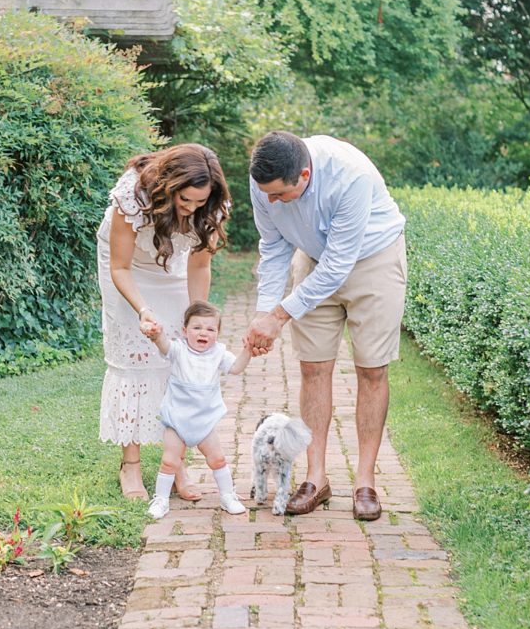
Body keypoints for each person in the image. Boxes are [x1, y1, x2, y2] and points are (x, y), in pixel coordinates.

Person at [245, 131, 407, 520]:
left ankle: (365, 481)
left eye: (280, 195)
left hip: (374, 259)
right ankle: (316, 478)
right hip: (314, 260)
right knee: (313, 367)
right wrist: (265, 313)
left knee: (371, 370)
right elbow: (273, 247)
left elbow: (338, 265)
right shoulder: (263, 180)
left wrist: (280, 316)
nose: (271, 201)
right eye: (266, 193)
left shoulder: (350, 176)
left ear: (304, 175)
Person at [97, 143, 231, 501]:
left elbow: (199, 267)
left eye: (198, 202)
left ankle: (175, 464)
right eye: (184, 200)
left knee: (177, 360)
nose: (191, 208)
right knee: (135, 360)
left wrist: (195, 320)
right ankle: (131, 465)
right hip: (125, 270)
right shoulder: (133, 196)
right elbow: (119, 267)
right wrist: (143, 310)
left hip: (170, 265)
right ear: (167, 186)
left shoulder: (209, 207)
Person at [141, 300, 252, 519]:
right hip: (177, 419)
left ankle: (228, 495)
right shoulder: (178, 350)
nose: (204, 333)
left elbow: (236, 367)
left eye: (211, 329)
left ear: (218, 333)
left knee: (218, 459)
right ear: (185, 331)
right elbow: (164, 345)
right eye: (197, 327)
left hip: (204, 421)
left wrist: (248, 350)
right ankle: (160, 499)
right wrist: (156, 336)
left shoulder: (218, 353)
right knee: (170, 461)